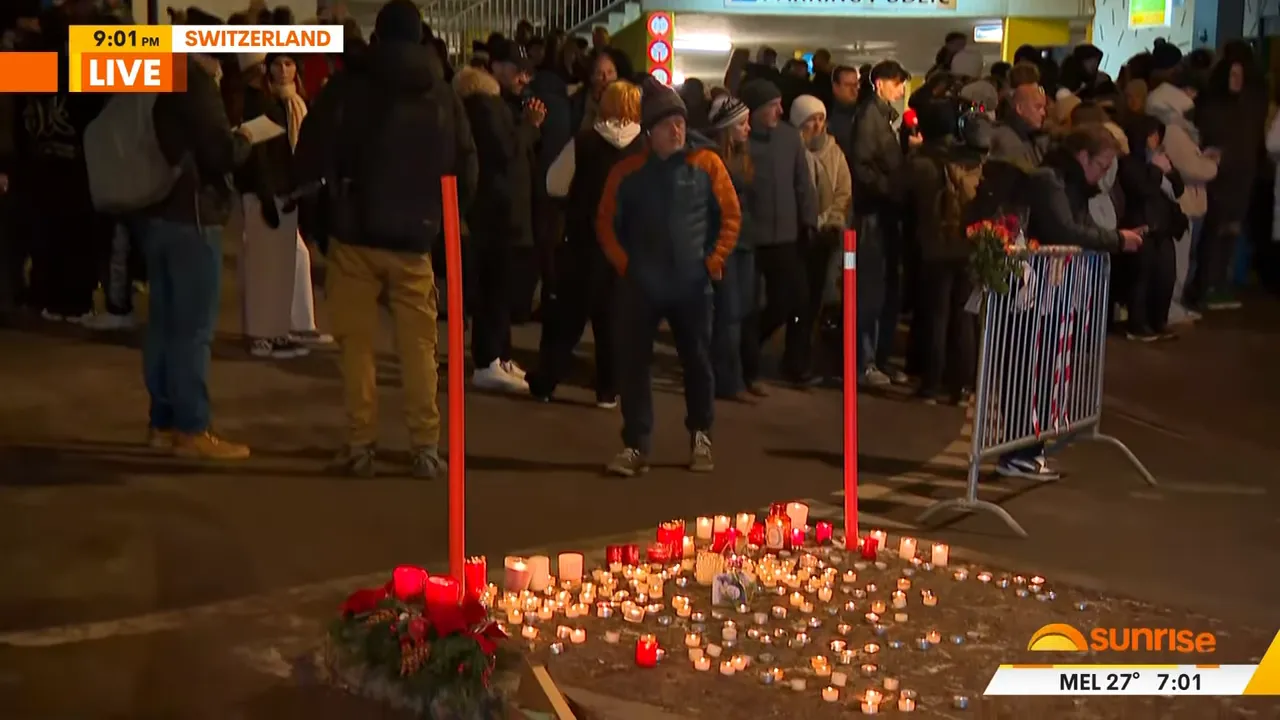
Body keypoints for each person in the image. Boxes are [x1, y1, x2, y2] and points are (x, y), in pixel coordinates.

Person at [293, 0, 478, 477]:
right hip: (415, 238)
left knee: (357, 346)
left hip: (354, 234)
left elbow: (312, 152)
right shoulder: (440, 92)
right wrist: (441, 217)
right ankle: (425, 447)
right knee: (419, 349)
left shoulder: (349, 86)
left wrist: (317, 223)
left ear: (377, 36)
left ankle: (360, 444)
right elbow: (466, 163)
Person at [596, 86, 741, 476]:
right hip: (641, 285)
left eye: (680, 123)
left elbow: (729, 216)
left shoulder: (706, 164)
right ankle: (636, 444)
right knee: (633, 365)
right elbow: (607, 223)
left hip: (692, 285)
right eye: (667, 126)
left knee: (697, 362)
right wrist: (627, 266)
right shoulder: (627, 173)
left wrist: (712, 261)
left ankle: (701, 435)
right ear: (649, 132)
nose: (676, 132)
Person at [996, 124, 1144, 480]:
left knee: (1042, 369)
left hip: (1048, 290)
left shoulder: (1070, 184)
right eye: (1103, 164)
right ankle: (1019, 451)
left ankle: (1030, 448)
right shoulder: (1051, 181)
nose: (1105, 173)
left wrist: (1111, 238)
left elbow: (1077, 226)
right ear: (1083, 157)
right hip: (1031, 290)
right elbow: (1065, 230)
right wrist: (1115, 240)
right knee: (1028, 372)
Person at [141, 11, 253, 458]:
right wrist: (243, 138)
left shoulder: (160, 77)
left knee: (165, 326)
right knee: (192, 331)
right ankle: (192, 428)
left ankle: (162, 421)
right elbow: (220, 153)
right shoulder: (194, 82)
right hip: (194, 216)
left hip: (159, 214)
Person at [531, 80, 644, 405]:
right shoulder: (645, 148)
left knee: (566, 321)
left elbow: (554, 183)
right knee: (614, 324)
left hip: (583, 243)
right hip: (626, 248)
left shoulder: (584, 142)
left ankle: (546, 382)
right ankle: (608, 391)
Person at [455, 38, 545, 392]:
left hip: (504, 209)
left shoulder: (497, 102)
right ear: (496, 68)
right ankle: (487, 359)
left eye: (526, 72)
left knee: (503, 286)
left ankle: (500, 356)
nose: (523, 78)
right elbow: (505, 150)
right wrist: (531, 125)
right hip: (494, 210)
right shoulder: (482, 103)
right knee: (494, 285)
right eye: (517, 70)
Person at [740, 78, 818, 384]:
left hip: (786, 236)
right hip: (751, 237)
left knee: (795, 301)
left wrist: (808, 221)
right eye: (773, 106)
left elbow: (803, 184)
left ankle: (794, 363)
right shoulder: (742, 140)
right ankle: (745, 357)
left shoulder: (789, 138)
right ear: (757, 110)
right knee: (749, 303)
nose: (780, 111)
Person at [907, 98, 982, 404]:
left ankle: (931, 384)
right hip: (966, 243)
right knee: (963, 317)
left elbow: (895, 191)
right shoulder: (967, 158)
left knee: (936, 316)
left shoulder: (921, 161)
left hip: (935, 246)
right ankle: (962, 385)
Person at [849, 60, 914, 387]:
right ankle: (866, 362)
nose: (901, 88)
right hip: (873, 215)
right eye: (896, 82)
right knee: (871, 291)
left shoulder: (882, 118)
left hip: (884, 213)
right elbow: (863, 169)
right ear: (879, 84)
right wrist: (892, 190)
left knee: (886, 289)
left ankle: (878, 359)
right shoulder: (869, 119)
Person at [1190, 51, 1267, 311]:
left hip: (1241, 177)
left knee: (1230, 233)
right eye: (1233, 74)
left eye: (1240, 75)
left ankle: (1218, 284)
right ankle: (1206, 286)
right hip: (1217, 178)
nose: (1237, 80)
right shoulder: (1213, 106)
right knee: (1214, 233)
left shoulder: (1247, 107)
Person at [1145, 67, 1217, 325]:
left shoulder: (1171, 125)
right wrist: (1212, 164)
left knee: (1181, 259)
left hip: (1183, 201)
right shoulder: (1174, 129)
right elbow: (1189, 166)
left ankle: (1172, 305)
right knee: (1179, 260)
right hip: (1183, 202)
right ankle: (1170, 308)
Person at [791, 95, 851, 380]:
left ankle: (809, 361)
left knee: (817, 299)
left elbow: (843, 191)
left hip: (825, 235)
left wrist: (832, 220)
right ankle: (796, 358)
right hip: (797, 234)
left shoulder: (834, 152)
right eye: (810, 119)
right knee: (798, 300)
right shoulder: (792, 151)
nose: (816, 125)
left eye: (820, 118)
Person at [706, 94, 758, 401]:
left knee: (738, 313)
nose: (747, 129)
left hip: (744, 242)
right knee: (727, 315)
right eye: (741, 124)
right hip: (725, 243)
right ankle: (727, 380)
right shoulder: (715, 161)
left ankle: (731, 377)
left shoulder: (743, 158)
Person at [1118, 114, 1187, 341]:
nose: (1156, 140)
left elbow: (1178, 190)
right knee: (1141, 277)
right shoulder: (1129, 164)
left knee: (1166, 276)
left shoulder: (1160, 159)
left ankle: (1160, 320)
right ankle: (1138, 324)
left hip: (1164, 228)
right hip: (1141, 228)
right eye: (1152, 135)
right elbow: (1143, 189)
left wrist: (1169, 171)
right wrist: (1156, 170)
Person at [989, 82, 1048, 169]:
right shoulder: (1006, 140)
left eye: (1044, 107)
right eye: (1038, 107)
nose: (1043, 113)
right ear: (1019, 108)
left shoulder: (1034, 136)